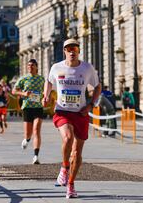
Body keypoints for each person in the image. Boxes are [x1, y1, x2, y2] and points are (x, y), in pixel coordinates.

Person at [43, 38, 101, 199]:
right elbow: (48, 82)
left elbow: (97, 86)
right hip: (62, 112)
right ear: (64, 51)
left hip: (80, 113)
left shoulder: (87, 68)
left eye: (74, 48)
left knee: (77, 152)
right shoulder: (56, 68)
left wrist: (91, 105)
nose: (71, 51)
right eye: (68, 49)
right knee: (67, 138)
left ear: (78, 51)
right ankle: (64, 166)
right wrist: (46, 95)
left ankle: (71, 184)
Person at [12, 59, 45, 164]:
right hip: (27, 108)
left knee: (36, 131)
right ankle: (26, 139)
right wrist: (23, 94)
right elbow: (14, 91)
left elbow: (46, 91)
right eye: (28, 65)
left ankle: (36, 156)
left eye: (32, 65)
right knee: (28, 134)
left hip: (38, 107)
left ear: (36, 67)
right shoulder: (23, 79)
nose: (30, 67)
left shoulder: (41, 79)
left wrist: (45, 97)